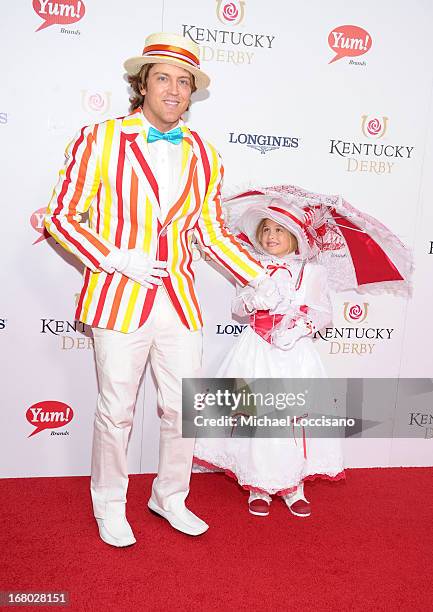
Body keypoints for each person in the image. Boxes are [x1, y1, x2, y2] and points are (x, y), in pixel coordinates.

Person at [44, 32, 271, 546]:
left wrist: (258, 274)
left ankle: (170, 497)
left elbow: (211, 232)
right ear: (141, 84)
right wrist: (115, 257)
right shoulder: (100, 138)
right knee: (115, 410)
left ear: (192, 93)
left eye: (184, 81)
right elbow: (61, 216)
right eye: (163, 77)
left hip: (179, 301)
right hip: (119, 296)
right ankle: (109, 504)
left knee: (181, 409)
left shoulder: (205, 155)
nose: (174, 89)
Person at [194, 195, 345, 517]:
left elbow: (323, 312)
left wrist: (297, 328)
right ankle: (258, 484)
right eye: (265, 230)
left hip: (294, 354)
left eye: (279, 230)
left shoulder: (312, 272)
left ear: (295, 236)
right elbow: (236, 307)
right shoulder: (251, 265)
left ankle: (293, 486)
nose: (271, 236)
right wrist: (253, 300)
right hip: (255, 351)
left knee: (292, 421)